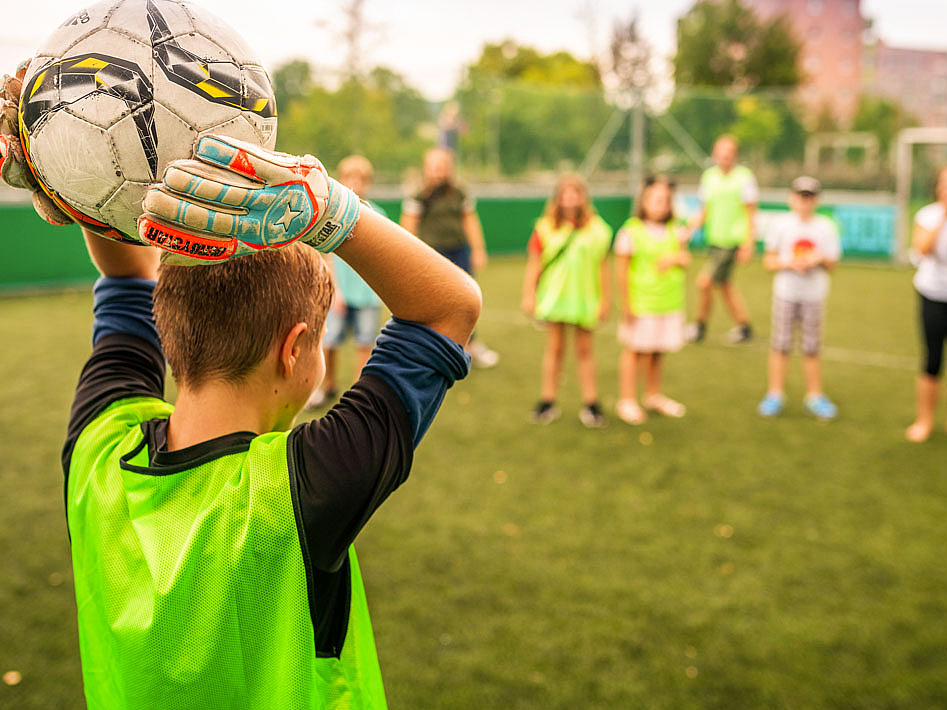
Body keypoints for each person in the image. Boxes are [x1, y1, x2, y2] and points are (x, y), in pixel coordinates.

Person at [3, 127, 480, 707]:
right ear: (296, 348)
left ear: (168, 332)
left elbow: (127, 281)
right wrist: (331, 211)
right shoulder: (301, 490)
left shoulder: (100, 447)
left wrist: (73, 178)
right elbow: (451, 308)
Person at [520, 173, 612, 428]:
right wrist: (529, 293)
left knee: (585, 350)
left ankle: (591, 403)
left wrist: (605, 299)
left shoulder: (597, 230)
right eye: (566, 193)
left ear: (584, 197)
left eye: (576, 193)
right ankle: (547, 400)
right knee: (555, 349)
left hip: (584, 298)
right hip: (555, 297)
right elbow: (535, 263)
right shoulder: (546, 227)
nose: (571, 198)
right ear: (558, 198)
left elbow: (602, 266)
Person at [401, 146, 499, 368]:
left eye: (442, 166)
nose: (438, 171)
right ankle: (432, 349)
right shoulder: (419, 194)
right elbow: (408, 226)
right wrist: (407, 257)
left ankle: (469, 345)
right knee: (432, 303)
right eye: (434, 167)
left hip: (458, 252)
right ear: (426, 169)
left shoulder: (459, 192)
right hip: (431, 256)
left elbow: (470, 220)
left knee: (466, 301)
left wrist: (478, 249)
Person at [757, 176, 841, 420]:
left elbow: (833, 263)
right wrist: (790, 263)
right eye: (801, 196)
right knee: (780, 344)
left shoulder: (825, 226)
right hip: (786, 293)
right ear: (791, 199)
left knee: (811, 346)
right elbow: (769, 261)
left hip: (814, 295)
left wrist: (819, 259)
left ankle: (814, 396)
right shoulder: (780, 224)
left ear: (817, 200)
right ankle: (775, 394)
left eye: (810, 197)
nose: (805, 201)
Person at [306, 155, 383, 408]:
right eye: (349, 178)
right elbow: (328, 256)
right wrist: (335, 291)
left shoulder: (377, 216)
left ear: (367, 182)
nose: (354, 184)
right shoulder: (334, 215)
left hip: (367, 296)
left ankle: (357, 396)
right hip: (340, 294)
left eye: (360, 179)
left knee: (364, 343)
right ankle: (327, 387)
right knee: (329, 342)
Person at [614, 176, 690, 426]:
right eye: (655, 199)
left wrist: (675, 259)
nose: (660, 204)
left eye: (665, 200)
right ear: (643, 201)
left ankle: (653, 395)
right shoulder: (630, 231)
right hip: (641, 303)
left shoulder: (674, 230)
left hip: (668, 302)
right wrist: (627, 304)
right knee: (634, 351)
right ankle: (626, 400)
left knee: (658, 351)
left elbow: (685, 259)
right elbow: (622, 272)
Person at [687, 134, 759, 344]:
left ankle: (699, 327)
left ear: (735, 156)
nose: (724, 158)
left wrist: (749, 242)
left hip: (731, 242)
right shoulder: (709, 177)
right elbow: (704, 211)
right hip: (714, 240)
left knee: (704, 282)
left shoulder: (745, 178)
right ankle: (744, 326)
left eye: (728, 154)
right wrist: (688, 230)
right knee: (724, 286)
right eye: (720, 154)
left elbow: (751, 213)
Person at [906, 165, 947, 442]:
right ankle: (925, 420)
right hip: (933, 295)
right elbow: (922, 248)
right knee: (932, 360)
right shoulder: (929, 215)